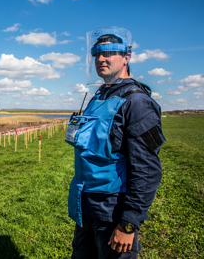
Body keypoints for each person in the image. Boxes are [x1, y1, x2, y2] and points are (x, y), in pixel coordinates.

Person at [65, 27, 165, 258]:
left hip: (113, 209)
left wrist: (129, 223)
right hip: (86, 205)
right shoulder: (99, 96)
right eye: (97, 54)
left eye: (109, 52)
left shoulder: (137, 102)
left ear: (126, 57)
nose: (101, 59)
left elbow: (147, 169)